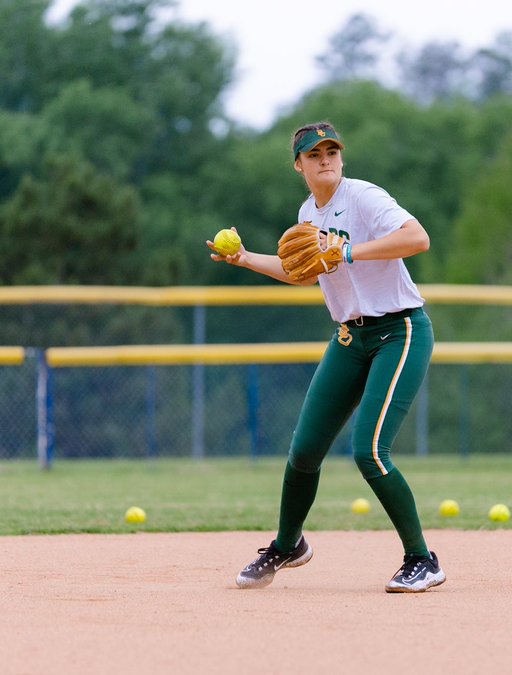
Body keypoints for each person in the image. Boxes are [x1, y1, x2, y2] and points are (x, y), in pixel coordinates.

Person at [206, 121, 444, 593]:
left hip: (399, 331)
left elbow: (418, 239)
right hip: (351, 338)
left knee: (369, 451)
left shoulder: (363, 197)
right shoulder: (307, 213)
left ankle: (423, 559)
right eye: (314, 155)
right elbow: (302, 270)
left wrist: (348, 251)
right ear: (299, 165)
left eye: (332, 151)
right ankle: (288, 545)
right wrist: (245, 258)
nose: (325, 160)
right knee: (304, 451)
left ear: (341, 157)